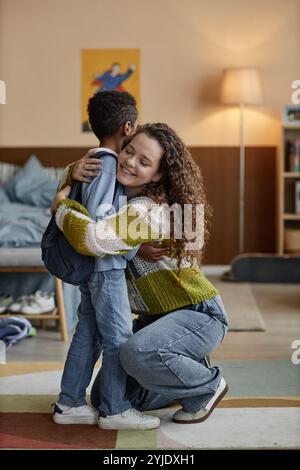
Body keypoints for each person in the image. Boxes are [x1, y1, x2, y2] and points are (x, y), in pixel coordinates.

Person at [53, 123, 229, 424]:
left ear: (157, 174)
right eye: (128, 151)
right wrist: (73, 171)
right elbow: (97, 170)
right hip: (154, 321)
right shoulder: (117, 199)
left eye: (144, 162)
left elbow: (92, 239)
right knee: (105, 397)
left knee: (136, 352)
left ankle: (208, 385)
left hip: (199, 315)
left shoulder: (148, 210)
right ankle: (182, 367)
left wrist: (60, 207)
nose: (130, 162)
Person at [52, 91, 161, 431]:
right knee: (118, 337)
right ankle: (115, 410)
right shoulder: (106, 163)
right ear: (128, 126)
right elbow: (101, 222)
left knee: (89, 333)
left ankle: (68, 403)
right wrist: (132, 243)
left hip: (98, 269)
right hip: (105, 268)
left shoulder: (93, 160)